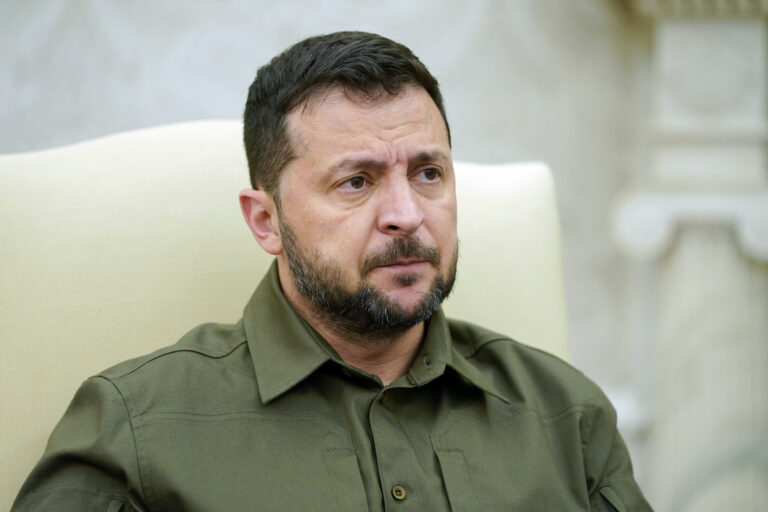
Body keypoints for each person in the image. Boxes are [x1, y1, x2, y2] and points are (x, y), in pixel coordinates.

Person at [12, 31, 652, 511]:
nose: (406, 214)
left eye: (428, 173)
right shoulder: (136, 427)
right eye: (356, 182)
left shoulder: (567, 415)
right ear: (266, 222)